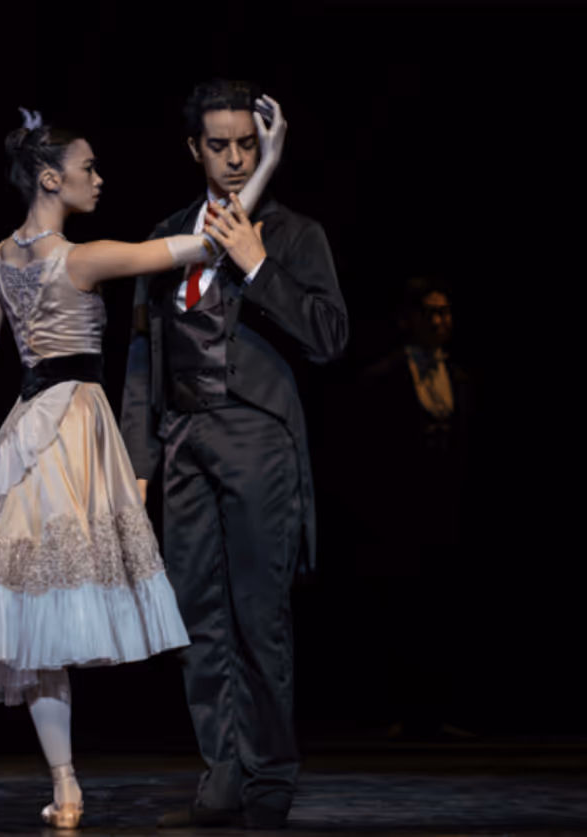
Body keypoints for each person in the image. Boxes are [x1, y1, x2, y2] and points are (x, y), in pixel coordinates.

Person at [0, 101, 284, 831]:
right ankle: (42, 777)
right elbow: (201, 248)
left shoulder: (0, 257)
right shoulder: (82, 258)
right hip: (70, 431)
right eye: (87, 168)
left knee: (6, 601)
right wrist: (268, 168)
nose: (99, 177)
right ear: (49, 178)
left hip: (20, 436)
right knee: (42, 606)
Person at [119, 79, 346, 830]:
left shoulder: (291, 232)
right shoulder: (166, 232)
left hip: (256, 437)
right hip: (184, 438)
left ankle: (270, 773)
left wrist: (256, 264)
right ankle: (222, 769)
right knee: (194, 616)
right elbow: (142, 357)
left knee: (258, 613)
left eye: (247, 143)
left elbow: (328, 335)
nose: (235, 158)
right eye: (219, 144)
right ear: (195, 149)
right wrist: (137, 459)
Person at [356, 276, 476, 741]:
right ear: (408, 319)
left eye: (445, 313)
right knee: (400, 614)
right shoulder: (382, 378)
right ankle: (400, 711)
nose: (439, 322)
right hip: (399, 519)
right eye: (430, 313)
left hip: (448, 516)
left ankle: (439, 709)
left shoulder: (462, 379)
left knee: (443, 613)